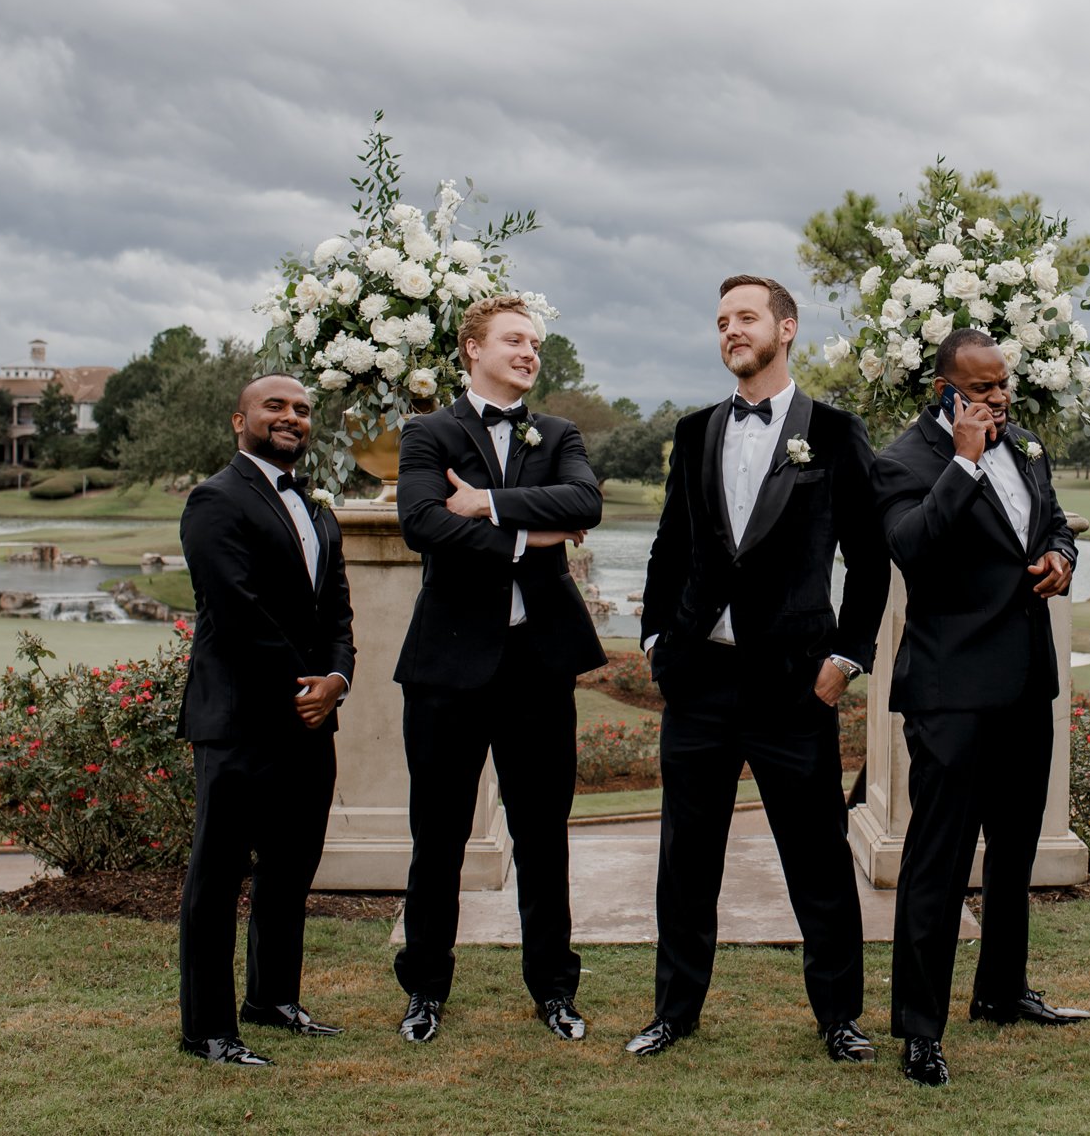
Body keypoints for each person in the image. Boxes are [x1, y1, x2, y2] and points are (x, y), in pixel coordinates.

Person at [627, 274, 890, 1063]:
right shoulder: (697, 427)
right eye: (720, 321)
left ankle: (840, 1016)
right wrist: (653, 642)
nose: (730, 331)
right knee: (686, 857)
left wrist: (845, 658)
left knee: (816, 857)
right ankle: (674, 1011)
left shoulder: (837, 433)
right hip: (700, 678)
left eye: (744, 317)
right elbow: (672, 545)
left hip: (794, 680)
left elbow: (870, 560)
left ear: (787, 327)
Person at [870, 328, 1089, 1087]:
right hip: (952, 692)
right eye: (985, 388)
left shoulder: (1026, 446)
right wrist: (963, 462)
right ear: (946, 391)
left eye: (1005, 384)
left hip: (1028, 684)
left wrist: (1063, 554)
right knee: (938, 864)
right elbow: (912, 546)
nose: (1001, 398)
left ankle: (1000, 989)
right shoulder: (903, 461)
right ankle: (920, 1029)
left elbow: (1053, 519)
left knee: (1014, 852)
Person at [392, 294, 606, 1045]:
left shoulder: (559, 432)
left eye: (537, 344)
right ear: (472, 348)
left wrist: (486, 502)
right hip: (447, 666)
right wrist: (524, 540)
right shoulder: (428, 432)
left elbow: (586, 502)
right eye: (515, 339)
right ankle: (424, 987)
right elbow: (422, 522)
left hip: (539, 664)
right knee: (438, 833)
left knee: (544, 833)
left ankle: (554, 988)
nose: (529, 352)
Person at [176, 373, 357, 1067]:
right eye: (275, 406)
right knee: (217, 876)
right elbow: (239, 609)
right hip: (240, 720)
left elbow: (337, 611)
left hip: (312, 720)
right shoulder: (214, 501)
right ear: (239, 420)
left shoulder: (318, 511)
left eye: (303, 409)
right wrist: (300, 686)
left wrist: (337, 679)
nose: (291, 417)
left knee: (289, 869)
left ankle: (273, 999)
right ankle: (207, 1028)